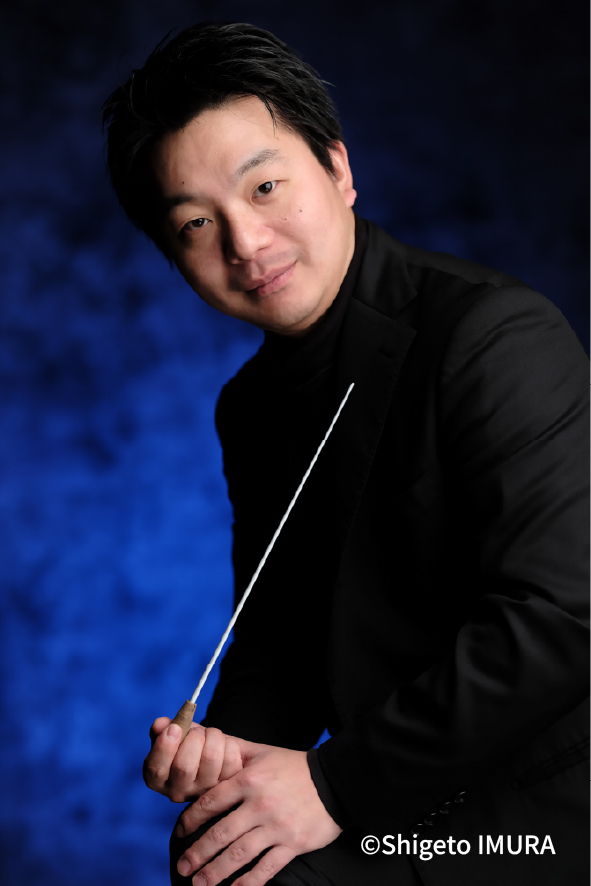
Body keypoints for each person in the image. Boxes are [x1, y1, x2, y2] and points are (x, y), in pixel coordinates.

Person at [102, 22, 589, 886]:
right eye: (196, 224)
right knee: (215, 857)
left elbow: (563, 617)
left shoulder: (492, 333)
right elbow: (280, 643)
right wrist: (223, 759)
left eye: (265, 187)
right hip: (403, 800)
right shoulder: (249, 407)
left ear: (336, 168)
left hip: (537, 817)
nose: (245, 243)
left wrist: (332, 786)